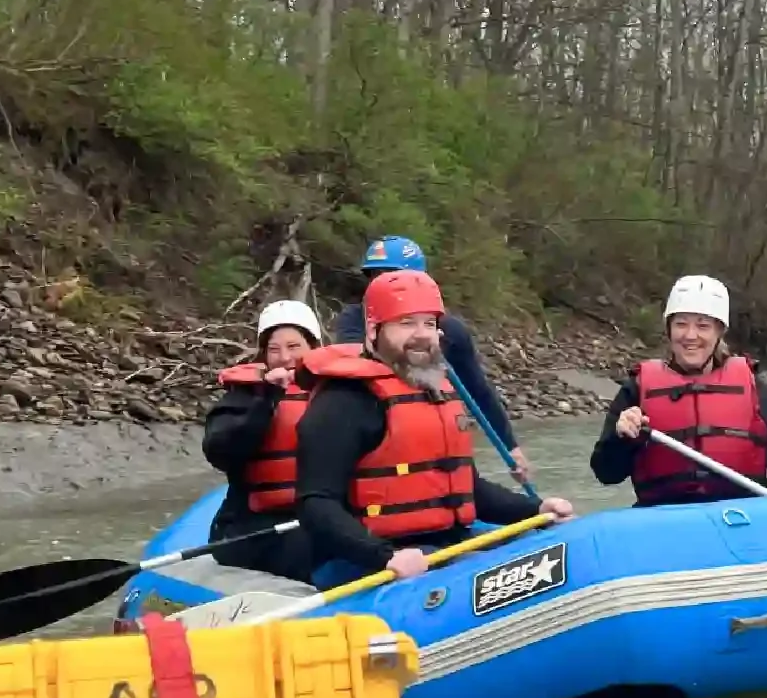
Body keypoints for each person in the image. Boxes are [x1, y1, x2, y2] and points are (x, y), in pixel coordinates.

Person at [295, 268, 572, 585]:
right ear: (373, 331)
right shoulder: (343, 402)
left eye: (429, 323)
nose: (422, 334)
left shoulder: (431, 390)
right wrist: (384, 556)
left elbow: (467, 487)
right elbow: (316, 505)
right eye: (406, 323)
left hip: (443, 541)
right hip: (364, 559)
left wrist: (536, 510)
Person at [589, 274, 767, 503]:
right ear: (669, 330)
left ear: (719, 332)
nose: (691, 336)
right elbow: (607, 474)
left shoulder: (752, 386)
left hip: (741, 518)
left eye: (703, 326)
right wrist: (622, 439)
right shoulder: (637, 389)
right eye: (681, 324)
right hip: (665, 520)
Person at [331, 234, 528, 484]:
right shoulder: (355, 320)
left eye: (390, 275)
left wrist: (511, 447)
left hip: (430, 434)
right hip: (375, 439)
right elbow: (351, 369)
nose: (379, 284)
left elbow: (479, 391)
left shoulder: (450, 331)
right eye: (374, 276)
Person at [199, 299, 323, 580]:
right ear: (263, 355)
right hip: (256, 527)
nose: (284, 358)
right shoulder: (244, 396)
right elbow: (220, 451)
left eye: (294, 347)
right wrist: (267, 401)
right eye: (274, 349)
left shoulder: (338, 394)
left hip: (320, 518)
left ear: (314, 349)